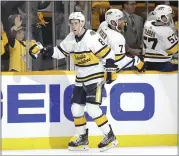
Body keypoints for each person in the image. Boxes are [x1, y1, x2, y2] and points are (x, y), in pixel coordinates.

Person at [29, 12, 118, 152]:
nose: (73, 26)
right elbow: (59, 52)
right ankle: (82, 138)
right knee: (76, 109)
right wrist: (43, 50)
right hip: (80, 78)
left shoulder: (92, 37)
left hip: (95, 77)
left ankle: (110, 136)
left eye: (76, 23)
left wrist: (111, 69)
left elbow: (109, 54)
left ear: (82, 23)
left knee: (93, 109)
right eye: (71, 23)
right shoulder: (71, 38)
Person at [143, 5, 178, 71]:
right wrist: (175, 32)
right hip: (162, 63)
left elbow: (151, 17)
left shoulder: (147, 24)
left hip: (148, 61)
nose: (170, 18)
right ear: (162, 16)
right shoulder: (167, 31)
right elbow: (175, 49)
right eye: (169, 15)